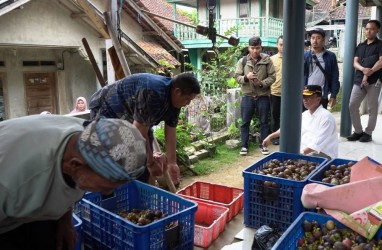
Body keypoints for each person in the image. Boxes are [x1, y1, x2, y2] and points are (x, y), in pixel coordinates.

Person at [0, 115, 147, 249]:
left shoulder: (89, 137)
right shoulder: (11, 181)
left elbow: (70, 184)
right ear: (75, 165)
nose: (108, 193)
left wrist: (66, 220)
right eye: (104, 187)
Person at [89, 72, 200, 186]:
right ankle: (112, 197)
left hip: (134, 119)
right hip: (107, 110)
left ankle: (143, 198)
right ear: (177, 92)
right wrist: (151, 163)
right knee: (116, 161)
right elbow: (138, 134)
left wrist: (172, 163)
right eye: (187, 99)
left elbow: (170, 131)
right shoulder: (153, 92)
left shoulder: (176, 102)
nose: (188, 104)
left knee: (143, 168)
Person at [263, 85, 338, 160]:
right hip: (305, 153)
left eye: (309, 97)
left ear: (318, 99)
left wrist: (299, 155)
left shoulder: (326, 117)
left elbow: (317, 144)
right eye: (304, 97)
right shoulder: (304, 114)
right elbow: (288, 128)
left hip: (322, 156)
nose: (305, 100)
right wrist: (270, 136)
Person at [235, 36, 276, 156]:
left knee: (264, 122)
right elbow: (237, 77)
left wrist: (262, 83)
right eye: (252, 48)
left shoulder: (267, 60)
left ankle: (263, 146)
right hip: (247, 96)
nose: (255, 51)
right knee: (245, 122)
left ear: (261, 47)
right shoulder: (242, 61)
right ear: (249, 48)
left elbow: (272, 77)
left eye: (257, 48)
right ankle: (244, 146)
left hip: (263, 96)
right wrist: (246, 78)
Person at [347, 19, 382, 143]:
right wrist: (363, 70)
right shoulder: (360, 46)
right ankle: (358, 131)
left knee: (373, 108)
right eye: (367, 29)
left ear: (377, 30)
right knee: (352, 104)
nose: (368, 31)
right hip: (359, 80)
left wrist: (370, 71)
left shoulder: (380, 45)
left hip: (374, 81)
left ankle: (368, 133)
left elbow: (381, 61)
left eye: (372, 29)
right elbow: (355, 62)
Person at [303, 27, 340, 109]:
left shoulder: (330, 56)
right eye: (313, 38)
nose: (315, 41)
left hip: (321, 95)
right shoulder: (304, 55)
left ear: (323, 40)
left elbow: (334, 77)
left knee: (320, 119)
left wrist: (333, 95)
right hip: (306, 94)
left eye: (318, 38)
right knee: (305, 120)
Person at [270, 35, 283, 145]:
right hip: (274, 92)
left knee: (288, 116)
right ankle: (275, 137)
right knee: (275, 116)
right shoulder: (272, 59)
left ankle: (287, 135)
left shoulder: (294, 58)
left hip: (289, 95)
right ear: (277, 45)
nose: (283, 47)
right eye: (281, 45)